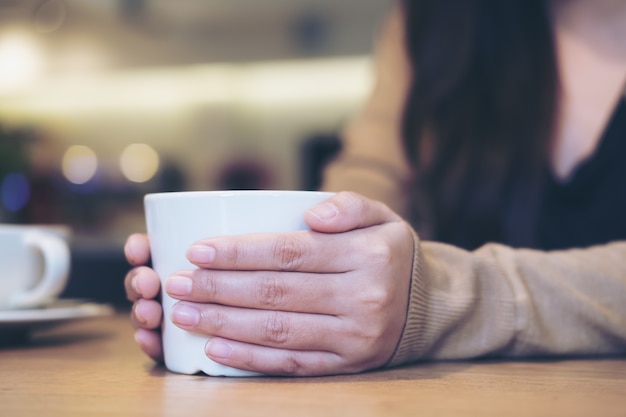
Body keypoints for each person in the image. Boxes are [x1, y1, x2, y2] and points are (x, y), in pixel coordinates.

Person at [124, 0, 626, 376]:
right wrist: (304, 276)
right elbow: (368, 177)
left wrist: (443, 299)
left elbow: (438, 296)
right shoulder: (436, 21)